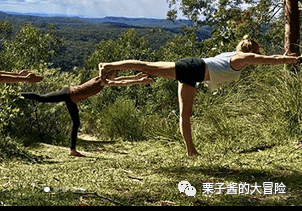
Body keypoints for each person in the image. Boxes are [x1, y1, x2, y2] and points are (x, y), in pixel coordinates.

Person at [98, 35, 301, 157]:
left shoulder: (230, 55)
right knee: (147, 66)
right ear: (252, 51)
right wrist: (292, 60)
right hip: (194, 67)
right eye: (256, 53)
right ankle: (109, 66)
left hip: (194, 71)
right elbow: (271, 59)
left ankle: (191, 152)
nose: (256, 56)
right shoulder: (244, 58)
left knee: (184, 115)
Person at [21, 71, 153, 157]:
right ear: (109, 75)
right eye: (114, 74)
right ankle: (17, 96)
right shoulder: (102, 80)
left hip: (72, 99)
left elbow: (120, 79)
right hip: (68, 94)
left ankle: (72, 150)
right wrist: (138, 81)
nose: (116, 77)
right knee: (40, 98)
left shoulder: (103, 79)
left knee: (76, 122)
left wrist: (135, 77)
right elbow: (120, 82)